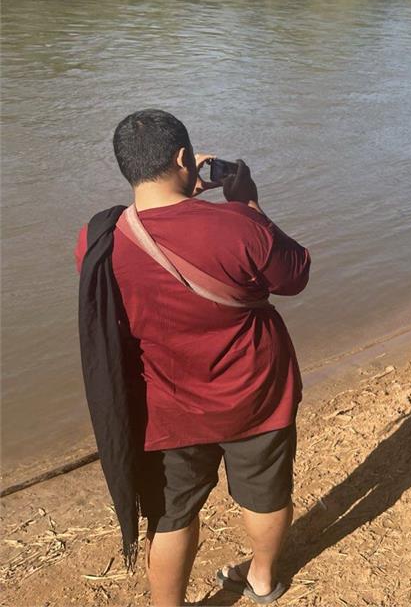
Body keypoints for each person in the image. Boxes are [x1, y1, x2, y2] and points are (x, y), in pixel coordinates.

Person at [75, 109, 311, 606]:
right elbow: (294, 276)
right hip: (254, 393)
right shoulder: (238, 225)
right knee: (264, 493)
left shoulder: (97, 239)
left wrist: (181, 202)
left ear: (126, 167)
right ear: (186, 158)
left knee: (171, 514)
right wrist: (247, 204)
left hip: (166, 405)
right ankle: (263, 579)